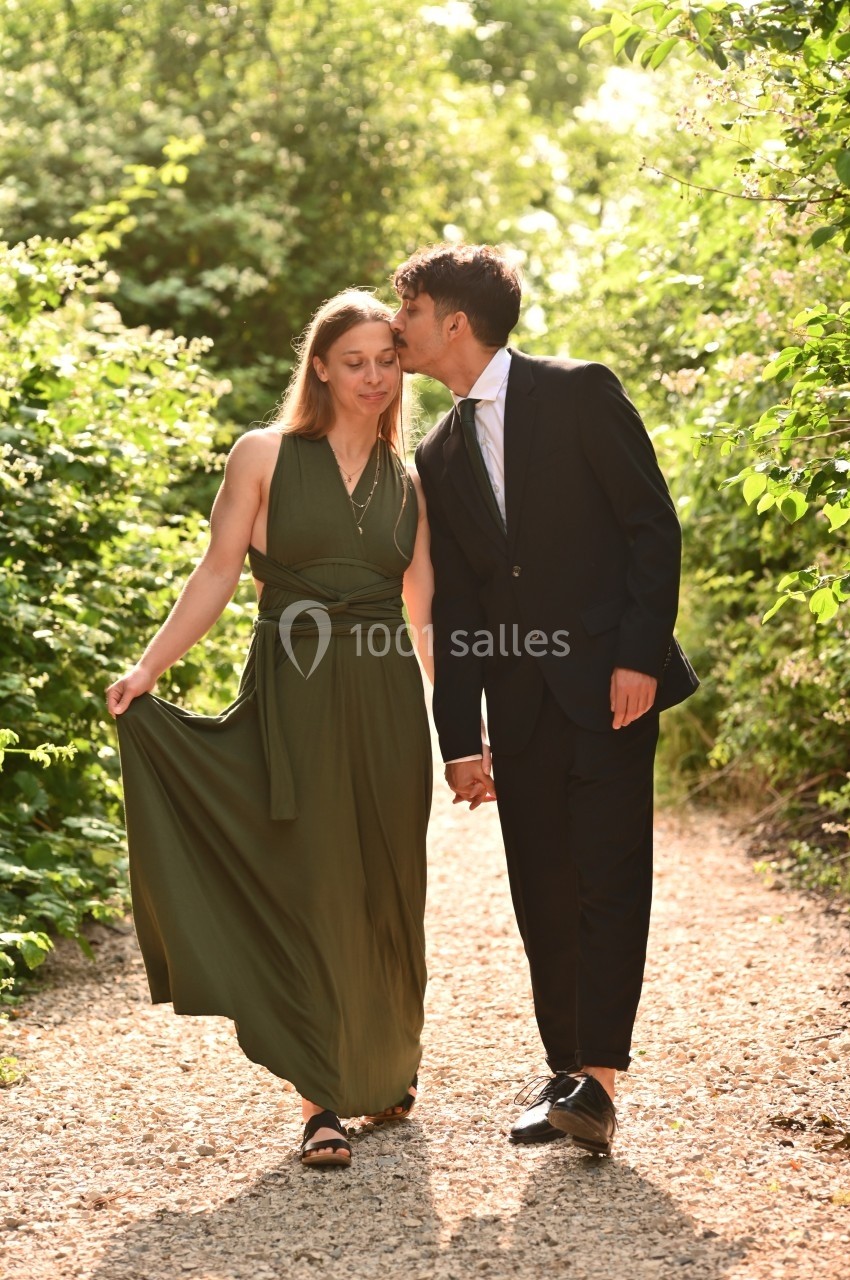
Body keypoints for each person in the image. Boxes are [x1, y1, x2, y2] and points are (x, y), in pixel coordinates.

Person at [107, 290, 436, 1169]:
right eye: (355, 361)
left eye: (387, 360)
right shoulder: (263, 454)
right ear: (319, 366)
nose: (374, 377)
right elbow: (218, 572)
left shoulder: (413, 479)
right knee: (312, 881)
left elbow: (425, 613)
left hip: (388, 702)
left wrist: (465, 732)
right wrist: (148, 669)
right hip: (296, 693)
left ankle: (387, 1063)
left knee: (390, 887)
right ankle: (320, 1098)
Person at [391, 244, 699, 1156]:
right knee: (542, 889)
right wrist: (460, 738)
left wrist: (639, 657)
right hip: (519, 706)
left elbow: (652, 527)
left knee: (608, 876)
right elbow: (458, 605)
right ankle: (566, 1069)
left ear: (454, 322)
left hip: (611, 687)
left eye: (409, 311)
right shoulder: (437, 451)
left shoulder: (578, 392)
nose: (397, 326)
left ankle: (599, 1081)